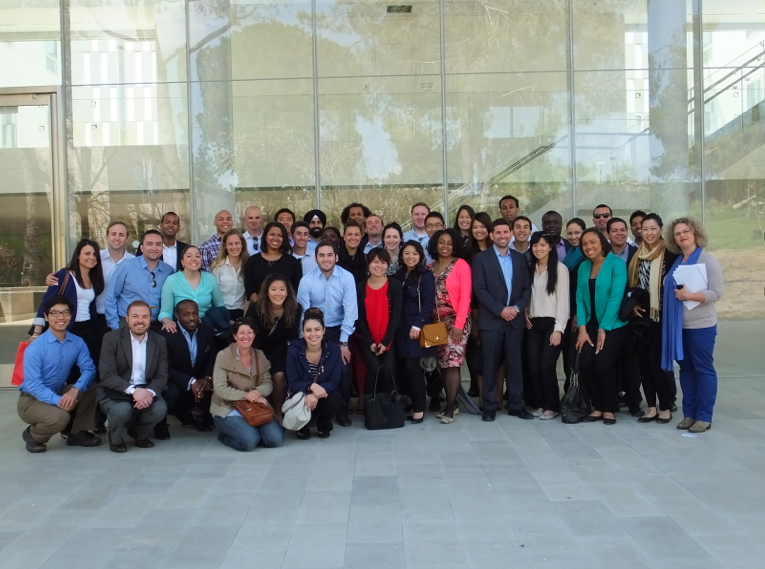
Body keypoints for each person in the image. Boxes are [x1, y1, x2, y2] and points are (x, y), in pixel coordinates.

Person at [662, 217, 723, 434]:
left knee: (703, 369)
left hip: (701, 326)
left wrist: (690, 296)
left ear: (695, 233)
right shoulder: (678, 261)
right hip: (679, 326)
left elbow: (716, 293)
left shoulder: (707, 261)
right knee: (686, 370)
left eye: (686, 231)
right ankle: (689, 414)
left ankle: (704, 416)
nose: (682, 236)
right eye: (677, 233)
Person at [18, 296, 100, 453]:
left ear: (71, 316)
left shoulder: (77, 342)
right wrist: (59, 400)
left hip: (57, 391)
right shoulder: (36, 347)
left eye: (65, 313)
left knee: (91, 388)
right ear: (47, 317)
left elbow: (89, 370)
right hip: (30, 400)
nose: (61, 317)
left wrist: (74, 390)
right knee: (61, 418)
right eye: (55, 313)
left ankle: (78, 433)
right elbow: (33, 384)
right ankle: (34, 435)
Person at [472, 219, 531, 422]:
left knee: (515, 365)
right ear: (492, 235)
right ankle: (489, 406)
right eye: (498, 232)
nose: (502, 235)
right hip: (492, 321)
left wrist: (515, 309)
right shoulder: (481, 259)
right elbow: (479, 290)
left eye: (506, 232)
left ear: (511, 234)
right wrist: (500, 310)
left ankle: (516, 405)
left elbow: (526, 288)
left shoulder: (520, 259)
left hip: (515, 320)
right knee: (490, 365)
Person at [297, 241, 358, 427]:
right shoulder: (306, 280)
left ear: (336, 257)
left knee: (343, 368)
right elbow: (303, 314)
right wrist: (310, 340)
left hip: (339, 329)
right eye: (321, 255)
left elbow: (351, 311)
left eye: (329, 255)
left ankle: (342, 410)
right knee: (313, 368)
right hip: (314, 329)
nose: (326, 259)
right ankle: (315, 411)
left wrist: (343, 343)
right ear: (315, 259)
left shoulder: (347, 278)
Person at [98, 301, 169, 452]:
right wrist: (132, 390)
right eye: (135, 316)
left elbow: (162, 375)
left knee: (160, 409)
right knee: (122, 409)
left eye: (145, 317)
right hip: (117, 388)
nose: (140, 321)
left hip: (145, 388)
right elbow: (107, 374)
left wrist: (149, 393)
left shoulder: (159, 341)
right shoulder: (111, 338)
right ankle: (115, 439)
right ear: (127, 318)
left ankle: (139, 433)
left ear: (150, 319)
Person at [575, 229, 629, 426]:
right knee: (586, 364)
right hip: (589, 325)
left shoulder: (617, 264)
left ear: (602, 243)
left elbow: (616, 298)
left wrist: (603, 328)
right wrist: (582, 328)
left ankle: (610, 407)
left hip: (613, 325)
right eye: (585, 244)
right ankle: (597, 406)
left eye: (593, 242)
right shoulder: (583, 267)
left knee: (603, 365)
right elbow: (579, 299)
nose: (589, 247)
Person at [627, 214, 677, 424]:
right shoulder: (637, 256)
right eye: (644, 229)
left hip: (661, 316)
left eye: (653, 228)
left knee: (657, 364)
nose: (648, 233)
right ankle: (652, 407)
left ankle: (665, 406)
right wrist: (634, 305)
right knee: (643, 364)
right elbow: (633, 286)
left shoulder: (670, 254)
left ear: (660, 229)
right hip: (641, 318)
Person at [32, 240, 105, 377]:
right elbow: (46, 303)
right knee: (69, 369)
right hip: (69, 328)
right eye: (87, 253)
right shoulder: (64, 275)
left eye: (95, 254)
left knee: (88, 367)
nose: (92, 257)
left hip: (89, 329)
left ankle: (84, 396)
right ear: (78, 255)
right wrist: (37, 332)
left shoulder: (93, 277)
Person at [210, 317, 283, 451]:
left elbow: (268, 383)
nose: (246, 336)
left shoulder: (259, 355)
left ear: (254, 335)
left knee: (275, 440)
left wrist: (258, 392)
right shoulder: (223, 355)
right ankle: (224, 435)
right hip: (228, 408)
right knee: (249, 442)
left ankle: (249, 429)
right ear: (235, 336)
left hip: (254, 406)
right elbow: (220, 389)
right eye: (241, 333)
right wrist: (248, 396)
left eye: (249, 332)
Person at [427, 228, 472, 423]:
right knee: (443, 365)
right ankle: (453, 404)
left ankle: (451, 407)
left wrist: (460, 324)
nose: (445, 246)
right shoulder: (429, 267)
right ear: (435, 245)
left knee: (453, 363)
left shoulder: (461, 265)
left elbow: (466, 297)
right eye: (441, 242)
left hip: (456, 321)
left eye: (449, 243)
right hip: (435, 324)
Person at [245, 273, 302, 422]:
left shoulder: (295, 308)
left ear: (288, 291)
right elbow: (249, 336)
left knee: (278, 375)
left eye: (282, 289)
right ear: (267, 291)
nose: (278, 293)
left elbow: (293, 338)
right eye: (274, 289)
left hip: (282, 351)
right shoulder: (255, 308)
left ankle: (278, 411)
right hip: (257, 351)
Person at [525, 232, 569, 420]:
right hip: (533, 323)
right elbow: (526, 295)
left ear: (551, 247)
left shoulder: (560, 269)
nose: (539, 248)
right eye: (535, 245)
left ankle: (552, 405)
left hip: (553, 323)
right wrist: (525, 313)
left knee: (546, 365)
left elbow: (563, 302)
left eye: (543, 245)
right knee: (533, 366)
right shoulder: (529, 268)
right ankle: (541, 403)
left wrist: (559, 328)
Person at [392, 241, 436, 423]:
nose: (410, 257)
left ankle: (419, 407)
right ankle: (409, 402)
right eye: (407, 253)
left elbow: (428, 303)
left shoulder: (424, 275)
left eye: (415, 254)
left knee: (414, 367)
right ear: (402, 255)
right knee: (402, 368)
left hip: (416, 327)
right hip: (399, 327)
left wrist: (418, 325)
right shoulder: (397, 274)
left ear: (420, 256)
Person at [158, 300, 217, 435]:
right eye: (186, 314)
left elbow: (211, 358)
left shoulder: (206, 331)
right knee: (172, 393)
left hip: (200, 378)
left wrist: (207, 378)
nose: (192, 318)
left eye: (195, 313)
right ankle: (161, 423)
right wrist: (191, 382)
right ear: (177, 316)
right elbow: (165, 368)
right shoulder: (166, 335)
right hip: (177, 380)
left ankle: (196, 414)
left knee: (216, 386)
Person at [286, 308, 343, 439]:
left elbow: (334, 381)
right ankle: (301, 426)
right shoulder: (293, 350)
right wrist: (310, 387)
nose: (313, 334)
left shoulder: (333, 350)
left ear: (324, 330)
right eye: (308, 330)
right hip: (300, 395)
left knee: (334, 400)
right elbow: (293, 382)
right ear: (302, 332)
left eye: (317, 329)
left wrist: (316, 394)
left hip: (323, 394)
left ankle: (324, 424)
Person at [355, 249, 402, 402]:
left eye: (383, 262)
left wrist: (385, 342)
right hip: (366, 338)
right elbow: (359, 317)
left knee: (388, 372)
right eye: (375, 262)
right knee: (373, 369)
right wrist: (369, 342)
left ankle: (386, 406)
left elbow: (396, 316)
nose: (379, 266)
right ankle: (369, 405)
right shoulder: (360, 287)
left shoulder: (394, 285)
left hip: (388, 339)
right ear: (368, 264)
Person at [105, 230, 174, 331]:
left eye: (158, 244)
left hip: (157, 326)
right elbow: (110, 297)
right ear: (142, 247)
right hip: (127, 324)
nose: (154, 248)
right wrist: (116, 326)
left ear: (162, 248)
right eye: (149, 244)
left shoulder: (168, 271)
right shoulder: (126, 266)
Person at [158, 245, 225, 332]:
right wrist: (167, 322)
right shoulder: (171, 281)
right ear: (182, 261)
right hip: (181, 328)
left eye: (197, 256)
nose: (194, 259)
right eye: (189, 256)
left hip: (207, 326)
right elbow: (165, 312)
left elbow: (219, 306)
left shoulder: (210, 279)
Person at [465, 212, 493, 398]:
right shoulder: (467, 253)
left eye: (482, 226)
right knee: (476, 351)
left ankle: (496, 395)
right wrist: (473, 308)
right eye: (475, 227)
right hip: (475, 309)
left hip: (497, 309)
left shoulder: (497, 251)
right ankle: (479, 390)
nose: (478, 230)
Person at [244, 222, 302, 302]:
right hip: (258, 309)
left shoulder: (293, 262)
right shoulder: (253, 261)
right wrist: (263, 307)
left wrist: (279, 307)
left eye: (280, 235)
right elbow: (250, 290)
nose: (275, 238)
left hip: (286, 310)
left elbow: (296, 289)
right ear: (265, 237)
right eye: (272, 234)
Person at [562, 218, 587, 382]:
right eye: (570, 233)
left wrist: (579, 314)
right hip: (567, 309)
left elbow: (585, 288)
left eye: (577, 232)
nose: (573, 236)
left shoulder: (587, 256)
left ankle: (579, 396)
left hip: (581, 312)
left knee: (578, 355)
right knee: (568, 355)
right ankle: (571, 393)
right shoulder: (570, 253)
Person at [210, 228, 249, 321]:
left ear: (242, 244)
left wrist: (245, 319)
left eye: (237, 243)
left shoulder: (249, 265)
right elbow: (213, 295)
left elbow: (248, 296)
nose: (234, 247)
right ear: (225, 246)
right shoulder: (217, 267)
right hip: (221, 312)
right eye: (230, 244)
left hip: (242, 312)